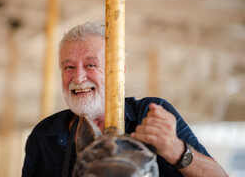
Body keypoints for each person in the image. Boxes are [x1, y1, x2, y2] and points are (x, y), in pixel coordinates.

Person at [22, 22, 227, 177]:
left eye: (91, 65)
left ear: (118, 72)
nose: (78, 78)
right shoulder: (45, 134)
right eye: (68, 67)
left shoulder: (149, 114)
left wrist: (175, 149)